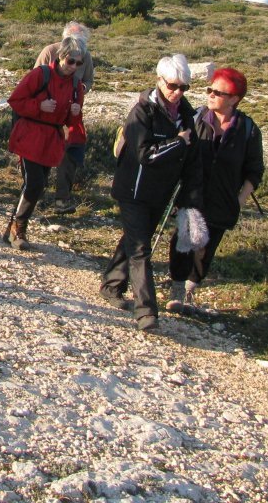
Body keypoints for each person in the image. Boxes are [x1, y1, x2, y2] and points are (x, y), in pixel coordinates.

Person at [100, 53, 204, 333]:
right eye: (173, 85)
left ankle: (111, 284)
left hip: (160, 193)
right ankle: (147, 312)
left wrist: (188, 198)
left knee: (135, 239)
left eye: (184, 87)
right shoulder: (142, 111)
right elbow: (146, 154)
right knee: (141, 249)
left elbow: (192, 156)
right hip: (133, 190)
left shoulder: (185, 114)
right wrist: (178, 143)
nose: (178, 92)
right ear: (159, 80)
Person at [167, 67, 264, 313]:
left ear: (234, 99)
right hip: (193, 194)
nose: (210, 95)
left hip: (223, 198)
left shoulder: (248, 130)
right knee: (183, 241)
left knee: (206, 249)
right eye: (210, 90)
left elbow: (254, 170)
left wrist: (240, 199)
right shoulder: (196, 118)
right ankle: (177, 289)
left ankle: (190, 288)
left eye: (218, 93)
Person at [4, 36, 87, 250]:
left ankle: (13, 229)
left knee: (34, 186)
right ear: (61, 56)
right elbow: (15, 101)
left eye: (79, 63)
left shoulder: (77, 86)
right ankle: (18, 229)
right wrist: (39, 105)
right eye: (71, 61)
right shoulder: (40, 74)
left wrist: (74, 114)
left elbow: (70, 121)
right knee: (34, 183)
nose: (74, 67)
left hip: (51, 140)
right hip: (30, 134)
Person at [34, 21, 95, 212]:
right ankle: (35, 196)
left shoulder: (86, 56)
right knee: (40, 152)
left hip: (71, 114)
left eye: (81, 41)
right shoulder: (49, 51)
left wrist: (81, 90)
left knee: (70, 153)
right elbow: (34, 78)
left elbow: (89, 79)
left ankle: (62, 198)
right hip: (46, 111)